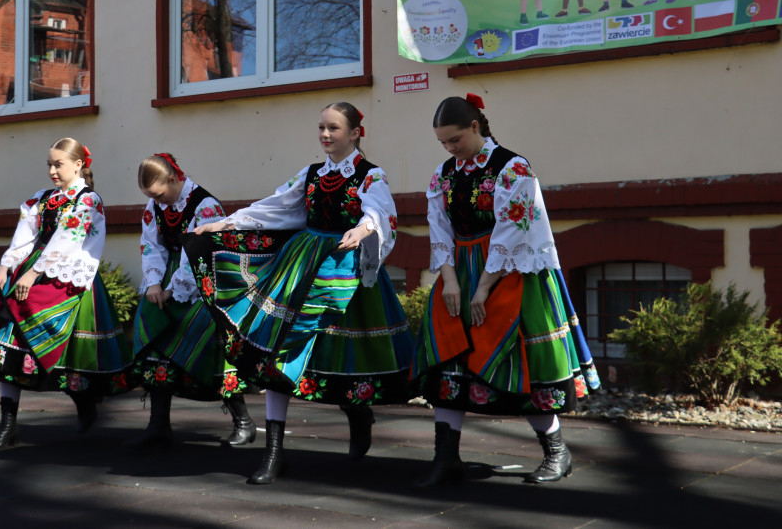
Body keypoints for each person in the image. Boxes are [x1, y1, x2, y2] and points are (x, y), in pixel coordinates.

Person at [189, 102, 412, 485]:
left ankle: (358, 413)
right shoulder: (310, 174)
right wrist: (224, 224)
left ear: (355, 133)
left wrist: (363, 230)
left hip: (344, 270)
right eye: (322, 127)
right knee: (279, 351)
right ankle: (274, 453)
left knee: (338, 353)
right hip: (302, 266)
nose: (325, 134)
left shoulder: (370, 175)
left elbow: (379, 212)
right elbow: (275, 208)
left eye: (334, 128)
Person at [410, 94, 600, 486]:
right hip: (459, 273)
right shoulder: (443, 174)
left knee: (520, 361)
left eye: (455, 139)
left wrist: (482, 288)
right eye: (443, 142)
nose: (449, 149)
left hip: (509, 272)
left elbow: (514, 231)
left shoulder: (512, 168)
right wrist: (450, 281)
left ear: (475, 126)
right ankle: (446, 457)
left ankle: (557, 452)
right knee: (449, 360)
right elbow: (440, 228)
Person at [0, 138, 134, 451]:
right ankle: (8, 427)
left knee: (70, 353)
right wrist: (5, 266)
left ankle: (84, 402)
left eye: (58, 164)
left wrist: (34, 273)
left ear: (78, 165)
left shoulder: (88, 200)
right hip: (30, 274)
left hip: (69, 279)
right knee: (9, 346)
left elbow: (68, 239)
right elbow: (24, 237)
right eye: (49, 164)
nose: (52, 171)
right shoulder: (41, 198)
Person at [129, 153, 254, 449]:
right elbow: (151, 244)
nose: (156, 202)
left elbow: (201, 250)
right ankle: (158, 424)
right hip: (169, 275)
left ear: (174, 178)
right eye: (151, 197)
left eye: (159, 194)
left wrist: (174, 288)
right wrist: (155, 283)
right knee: (155, 333)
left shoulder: (204, 205)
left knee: (212, 343)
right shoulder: (155, 206)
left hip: (204, 277)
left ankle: (244, 422)